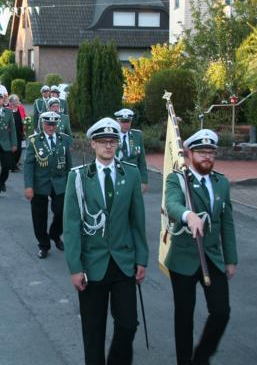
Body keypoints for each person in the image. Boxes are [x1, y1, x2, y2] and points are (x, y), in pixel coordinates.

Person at [63, 117, 148, 365]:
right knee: (93, 330)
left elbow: (137, 220)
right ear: (93, 144)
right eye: (103, 141)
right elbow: (71, 225)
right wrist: (75, 267)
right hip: (92, 264)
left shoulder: (130, 174)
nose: (108, 146)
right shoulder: (78, 177)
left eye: (112, 141)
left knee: (129, 324)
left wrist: (141, 258)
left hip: (123, 261)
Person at [164, 128, 237, 365]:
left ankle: (201, 357)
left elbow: (227, 222)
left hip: (212, 257)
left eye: (211, 152)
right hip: (184, 257)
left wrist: (230, 259)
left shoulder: (221, 182)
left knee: (221, 312)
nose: (207, 156)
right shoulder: (178, 179)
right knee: (184, 316)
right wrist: (188, 215)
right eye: (201, 152)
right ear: (190, 154)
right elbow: (172, 204)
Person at [24, 111, 72, 259]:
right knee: (39, 216)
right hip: (40, 183)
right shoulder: (34, 141)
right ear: (43, 124)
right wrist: (29, 186)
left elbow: (68, 163)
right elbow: (28, 164)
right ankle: (44, 245)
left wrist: (71, 182)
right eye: (48, 124)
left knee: (62, 212)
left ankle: (55, 234)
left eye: (53, 124)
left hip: (59, 182)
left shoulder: (64, 139)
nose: (51, 127)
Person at [114, 109, 148, 193]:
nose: (125, 124)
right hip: (117, 178)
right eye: (123, 122)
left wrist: (144, 180)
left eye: (128, 121)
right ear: (117, 121)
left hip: (134, 178)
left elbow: (142, 160)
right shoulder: (112, 136)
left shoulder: (137, 135)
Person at [7, 94, 26, 172]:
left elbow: (25, 118)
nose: (18, 102)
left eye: (18, 100)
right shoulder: (7, 110)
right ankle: (13, 166)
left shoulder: (21, 108)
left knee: (19, 150)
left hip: (19, 132)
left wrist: (25, 124)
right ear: (11, 102)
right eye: (16, 101)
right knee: (12, 150)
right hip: (10, 133)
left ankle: (14, 164)